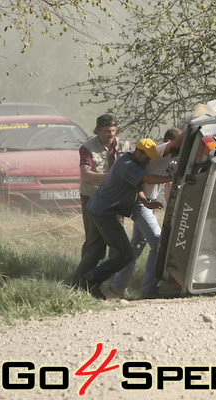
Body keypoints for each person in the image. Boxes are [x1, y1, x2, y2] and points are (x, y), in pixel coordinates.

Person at [75, 138, 172, 300]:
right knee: (126, 254)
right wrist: (171, 178)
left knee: (97, 251)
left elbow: (137, 185)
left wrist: (146, 202)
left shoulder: (133, 162)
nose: (148, 161)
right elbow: (147, 179)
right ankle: (90, 280)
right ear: (139, 152)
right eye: (147, 157)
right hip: (103, 212)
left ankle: (79, 284)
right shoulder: (128, 164)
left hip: (98, 209)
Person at [109, 128, 183, 299]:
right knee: (158, 244)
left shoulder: (172, 160)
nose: (176, 154)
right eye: (176, 148)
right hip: (140, 203)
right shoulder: (158, 152)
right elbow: (146, 181)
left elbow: (169, 184)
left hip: (148, 204)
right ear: (168, 142)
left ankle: (117, 287)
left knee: (136, 246)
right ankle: (149, 289)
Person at [72, 114, 130, 286]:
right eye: (106, 131)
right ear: (97, 130)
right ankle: (82, 283)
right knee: (94, 245)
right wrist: (111, 176)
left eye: (113, 130)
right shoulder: (88, 147)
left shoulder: (125, 145)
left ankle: (110, 284)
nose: (110, 134)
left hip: (115, 201)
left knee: (116, 245)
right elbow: (86, 175)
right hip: (92, 201)